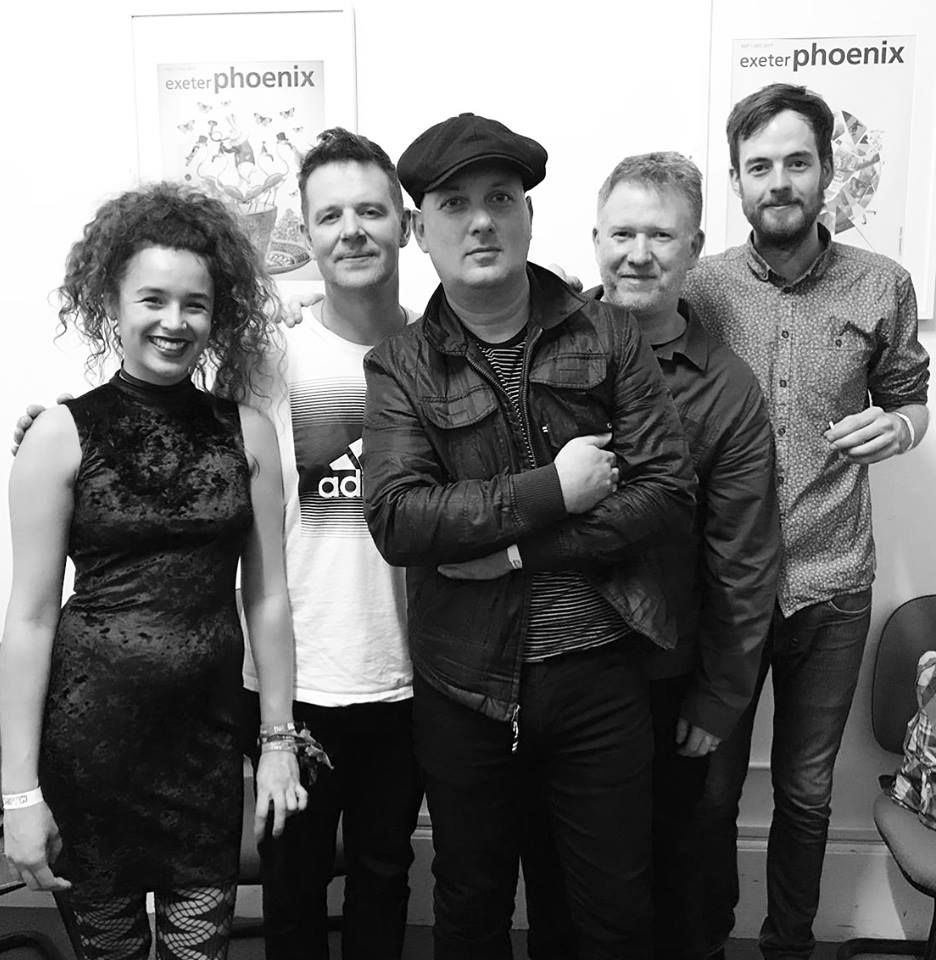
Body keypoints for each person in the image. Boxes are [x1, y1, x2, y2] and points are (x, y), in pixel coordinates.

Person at [361, 112, 697, 960]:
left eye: (501, 198)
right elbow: (400, 518)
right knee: (471, 908)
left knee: (610, 915)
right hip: (466, 687)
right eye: (455, 204)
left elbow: (667, 490)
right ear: (420, 231)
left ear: (529, 215)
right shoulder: (400, 364)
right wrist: (554, 490)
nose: (481, 221)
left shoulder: (608, 333)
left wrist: (516, 549)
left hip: (601, 676)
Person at [0, 182, 307, 960]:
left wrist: (278, 741)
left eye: (195, 304)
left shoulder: (249, 432)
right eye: (154, 300)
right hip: (88, 750)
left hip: (204, 750)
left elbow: (268, 598)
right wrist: (20, 792)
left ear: (218, 313)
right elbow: (30, 619)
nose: (175, 322)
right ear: (112, 302)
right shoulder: (59, 435)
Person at [684, 83, 930, 960]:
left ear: (827, 170)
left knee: (806, 791)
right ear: (736, 181)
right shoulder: (700, 287)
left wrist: (902, 427)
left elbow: (910, 396)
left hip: (833, 584)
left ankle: (788, 945)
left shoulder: (883, 284)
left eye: (797, 162)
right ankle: (703, 939)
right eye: (759, 166)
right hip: (724, 586)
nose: (779, 181)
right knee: (710, 792)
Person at [522, 152, 781, 960]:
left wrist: (720, 697)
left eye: (661, 236)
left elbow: (744, 559)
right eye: (622, 233)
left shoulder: (727, 389)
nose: (638, 254)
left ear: (695, 247)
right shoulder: (535, 348)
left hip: (662, 676)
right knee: (557, 879)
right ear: (595, 239)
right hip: (552, 667)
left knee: (676, 876)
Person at [242, 128, 423, 960]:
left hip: (411, 678)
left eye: (370, 211)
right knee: (293, 888)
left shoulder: (441, 349)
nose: (352, 231)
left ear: (405, 225)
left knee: (386, 876)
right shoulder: (265, 358)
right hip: (299, 682)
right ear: (306, 236)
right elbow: (163, 414)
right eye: (330, 216)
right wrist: (58, 423)